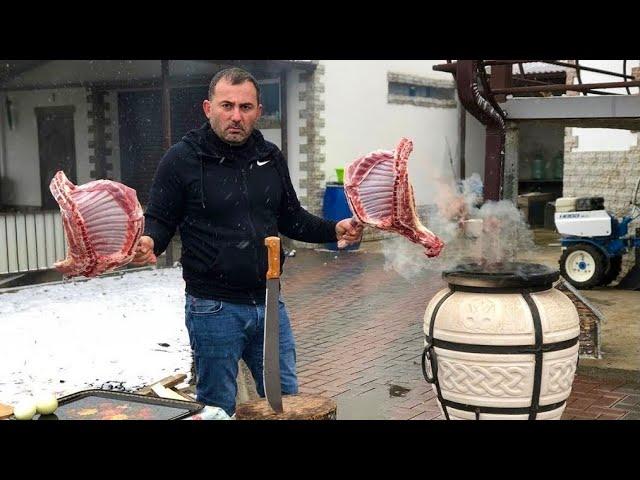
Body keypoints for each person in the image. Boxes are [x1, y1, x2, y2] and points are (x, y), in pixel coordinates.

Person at [131, 67, 362, 416]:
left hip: (269, 302)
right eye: (227, 106)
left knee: (284, 401)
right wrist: (149, 241)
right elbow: (161, 219)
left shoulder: (269, 157)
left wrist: (334, 229)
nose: (236, 116)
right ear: (208, 108)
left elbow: (291, 217)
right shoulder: (182, 159)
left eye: (245, 107)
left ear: (258, 111)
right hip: (213, 306)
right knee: (217, 406)